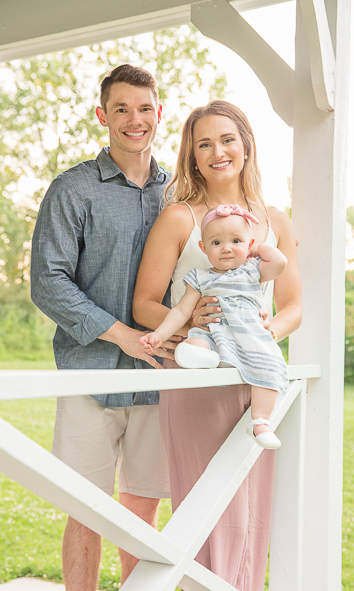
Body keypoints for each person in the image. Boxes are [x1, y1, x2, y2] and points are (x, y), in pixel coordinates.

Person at [133, 99, 301, 591]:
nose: (217, 151)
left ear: (246, 145)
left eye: (227, 139)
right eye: (203, 143)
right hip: (197, 379)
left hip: (257, 382)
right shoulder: (180, 218)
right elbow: (145, 304)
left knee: (250, 504)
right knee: (205, 503)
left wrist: (266, 333)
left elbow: (293, 306)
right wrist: (189, 327)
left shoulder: (274, 222)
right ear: (192, 155)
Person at [29, 63, 172, 591]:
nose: (134, 120)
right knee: (86, 508)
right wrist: (120, 334)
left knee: (141, 510)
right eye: (121, 109)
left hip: (160, 378)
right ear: (102, 115)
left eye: (143, 108)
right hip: (89, 371)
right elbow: (48, 281)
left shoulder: (179, 192)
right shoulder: (73, 190)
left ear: (159, 113)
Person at [140, 205, 288, 449]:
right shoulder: (199, 276)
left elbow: (280, 262)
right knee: (196, 342)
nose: (227, 248)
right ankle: (199, 355)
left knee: (269, 362)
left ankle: (260, 422)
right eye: (216, 242)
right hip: (213, 334)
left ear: (249, 243)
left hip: (248, 335)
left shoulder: (253, 270)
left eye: (236, 241)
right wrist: (159, 334)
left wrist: (257, 248)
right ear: (203, 248)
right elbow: (181, 311)